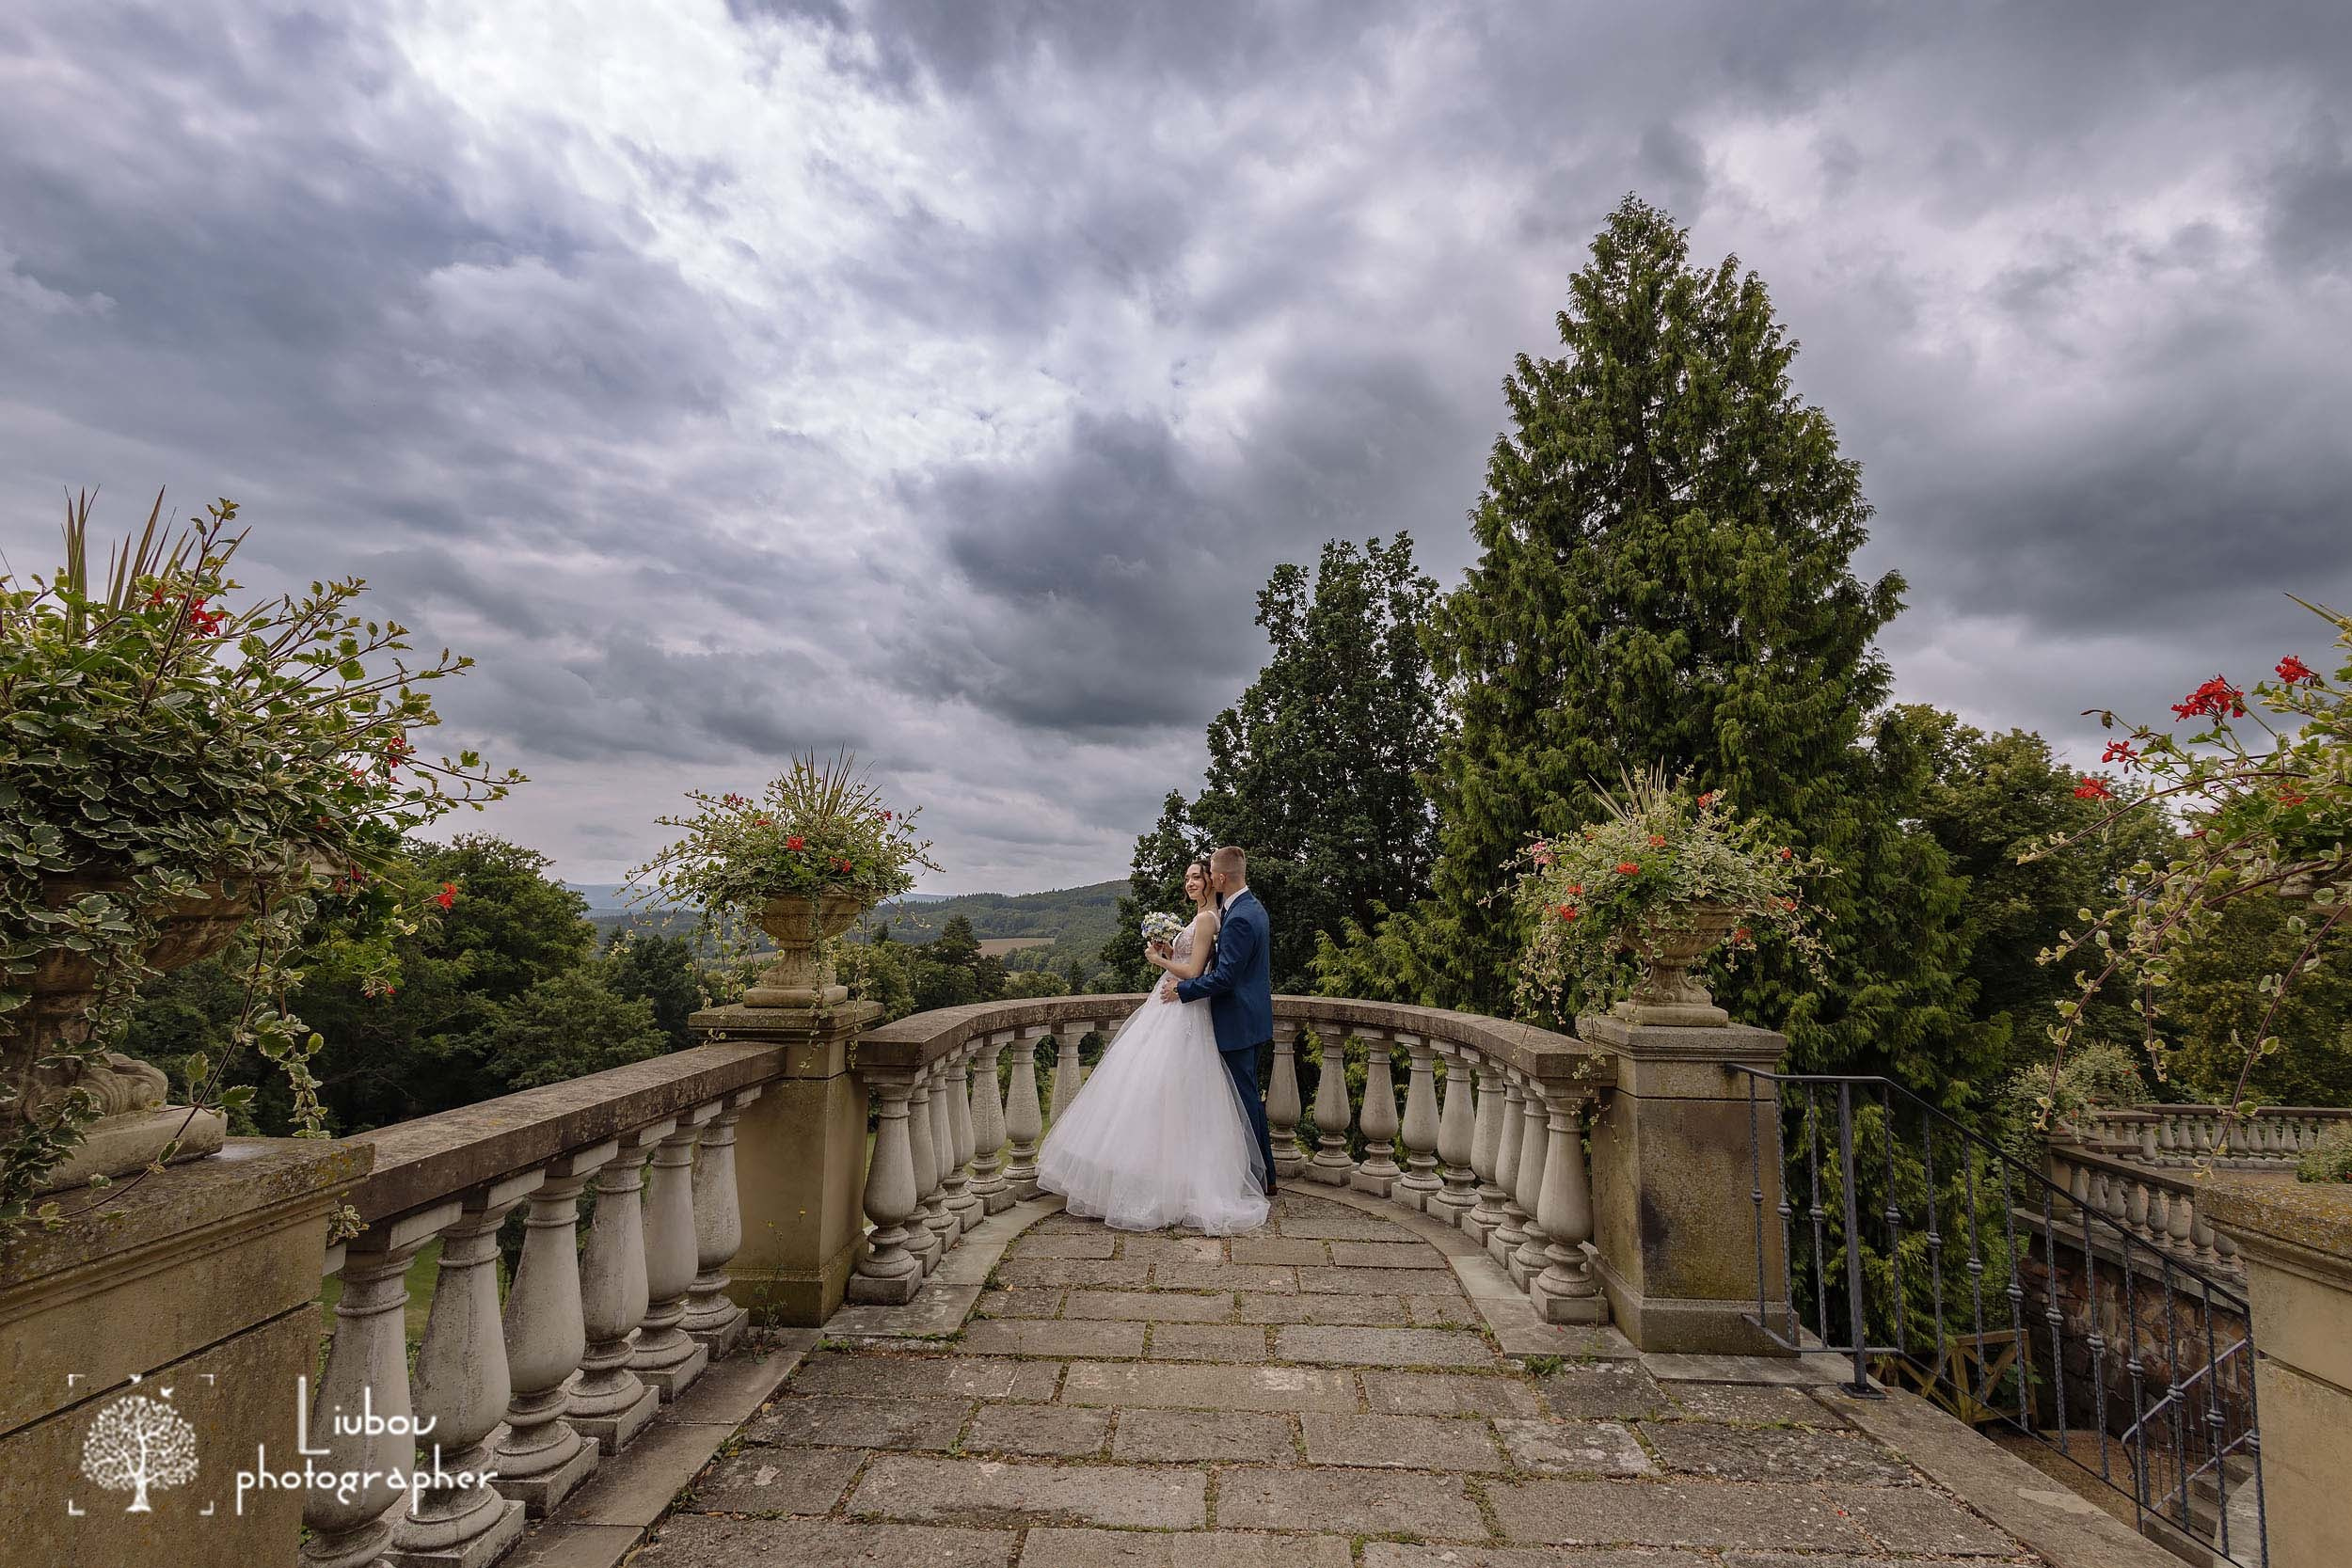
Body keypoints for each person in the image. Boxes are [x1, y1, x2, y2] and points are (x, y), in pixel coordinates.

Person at [1036, 855, 1270, 1233]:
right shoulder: (1206, 917)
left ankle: (1174, 1181)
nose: (1190, 883)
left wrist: (1159, 960)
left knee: (1169, 1090)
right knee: (1145, 1089)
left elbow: (1195, 971)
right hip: (1169, 1006)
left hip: (1182, 1006)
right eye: (1187, 878)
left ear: (1213, 880)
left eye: (1197, 877)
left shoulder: (1211, 918)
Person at [1165, 845, 1279, 1195]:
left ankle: (1261, 1178)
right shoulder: (1249, 908)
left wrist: (1183, 991)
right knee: (1248, 1102)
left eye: (1210, 873)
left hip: (1238, 1024)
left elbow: (1226, 977)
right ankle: (1264, 1176)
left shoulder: (1240, 917)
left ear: (1220, 877)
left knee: (1244, 1104)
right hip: (1251, 1021)